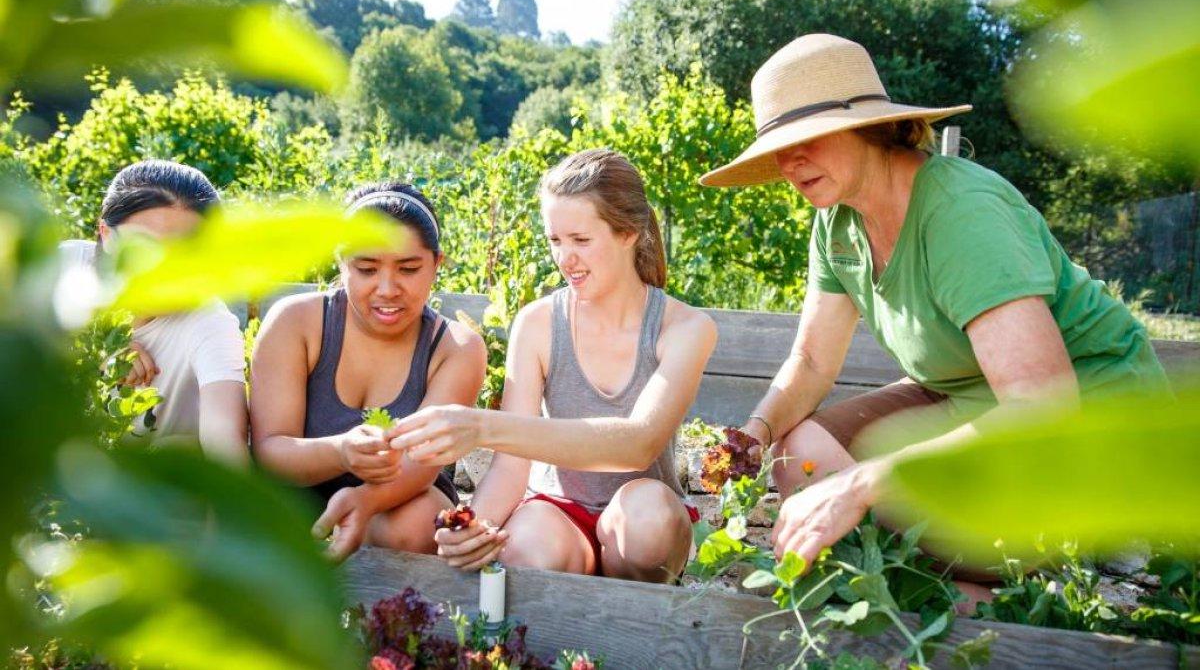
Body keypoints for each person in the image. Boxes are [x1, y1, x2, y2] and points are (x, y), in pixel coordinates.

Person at [697, 34, 1171, 595]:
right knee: (795, 456)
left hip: (1083, 416)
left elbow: (1043, 405)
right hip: (966, 396)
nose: (790, 160)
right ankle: (954, 574)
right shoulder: (837, 222)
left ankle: (1023, 568)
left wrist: (861, 486)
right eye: (778, 147)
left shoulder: (959, 211)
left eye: (809, 138)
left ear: (870, 127)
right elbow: (810, 360)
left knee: (878, 498)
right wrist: (755, 433)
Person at [387, 149, 718, 583]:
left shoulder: (685, 327)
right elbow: (510, 468)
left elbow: (638, 444)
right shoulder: (538, 322)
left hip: (640, 520)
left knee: (649, 522)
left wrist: (482, 426)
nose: (565, 259)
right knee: (525, 548)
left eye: (581, 241)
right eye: (555, 241)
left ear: (628, 233)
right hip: (557, 514)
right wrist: (470, 527)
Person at [250, 182, 486, 560]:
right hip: (297, 498)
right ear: (342, 262)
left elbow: (422, 463)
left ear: (436, 265)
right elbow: (271, 449)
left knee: (414, 525)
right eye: (366, 269)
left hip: (401, 498)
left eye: (409, 269)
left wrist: (365, 500)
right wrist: (341, 451)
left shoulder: (456, 347)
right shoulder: (296, 323)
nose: (387, 289)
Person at [59, 159, 249, 466]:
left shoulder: (209, 323)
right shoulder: (65, 267)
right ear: (106, 234)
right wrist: (99, 345)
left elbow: (226, 443)